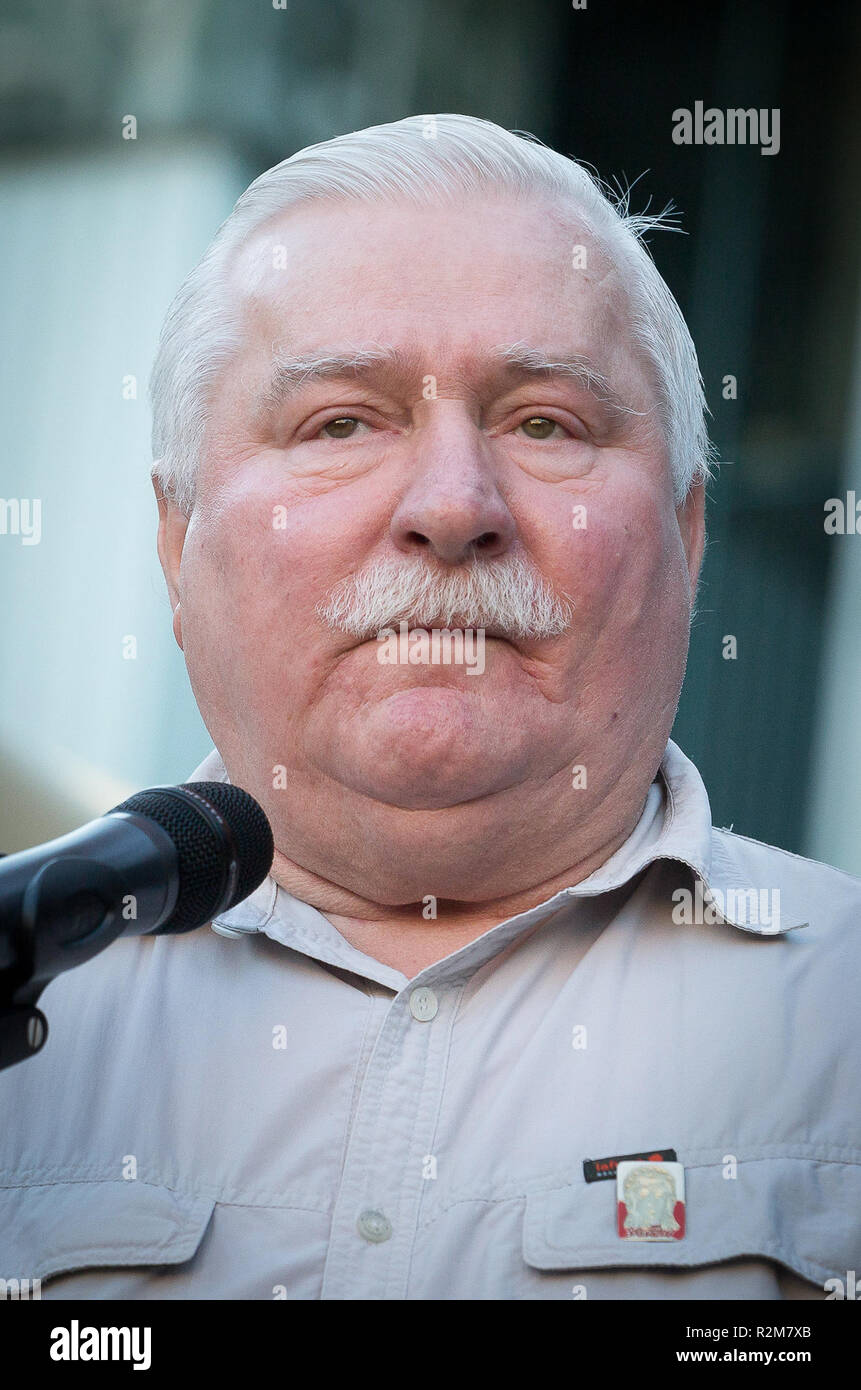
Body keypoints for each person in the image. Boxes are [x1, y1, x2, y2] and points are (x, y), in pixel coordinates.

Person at [1, 114, 858, 1300]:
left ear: (687, 532)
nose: (454, 506)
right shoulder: (23, 1004)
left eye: (546, 422)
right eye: (341, 422)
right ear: (178, 540)